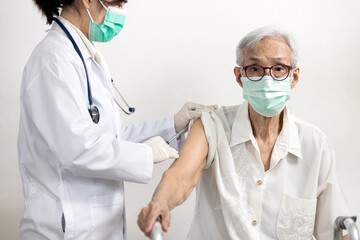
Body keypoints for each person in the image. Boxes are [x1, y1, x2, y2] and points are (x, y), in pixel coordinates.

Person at [18, 0, 216, 239]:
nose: (120, 12)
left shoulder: (83, 55)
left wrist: (172, 125)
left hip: (93, 224)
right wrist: (145, 154)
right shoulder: (53, 60)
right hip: (65, 227)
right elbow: (78, 150)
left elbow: (109, 137)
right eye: (117, 3)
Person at [137, 26, 352, 240]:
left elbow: (335, 227)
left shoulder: (315, 144)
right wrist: (160, 203)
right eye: (255, 69)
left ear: (293, 77)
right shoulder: (212, 125)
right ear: (240, 76)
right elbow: (181, 177)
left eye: (278, 69)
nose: (268, 80)